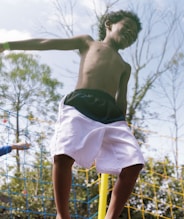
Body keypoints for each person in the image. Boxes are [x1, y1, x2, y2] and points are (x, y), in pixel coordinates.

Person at [0, 10, 145, 219]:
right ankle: (62, 214)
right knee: (63, 154)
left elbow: (122, 99)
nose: (130, 34)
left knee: (134, 162)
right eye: (127, 28)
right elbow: (46, 43)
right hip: (81, 104)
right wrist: (7, 46)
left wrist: (123, 127)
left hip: (112, 117)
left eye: (134, 35)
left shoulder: (125, 67)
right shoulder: (88, 43)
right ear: (109, 24)